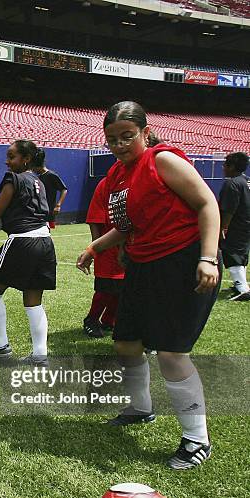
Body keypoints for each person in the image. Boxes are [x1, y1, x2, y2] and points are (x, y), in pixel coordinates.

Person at [76, 101, 220, 470]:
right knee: (126, 342)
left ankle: (196, 440)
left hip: (183, 262)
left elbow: (207, 203)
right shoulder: (117, 176)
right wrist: (96, 247)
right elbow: (127, 226)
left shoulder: (162, 160)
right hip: (143, 265)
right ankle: (141, 408)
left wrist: (207, 258)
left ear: (144, 131)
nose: (120, 144)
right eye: (112, 139)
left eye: (128, 136)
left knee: (172, 353)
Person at [0, 139, 56, 365]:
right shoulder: (36, 180)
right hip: (45, 242)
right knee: (33, 300)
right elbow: (12, 207)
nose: (7, 161)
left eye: (12, 157)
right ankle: (40, 356)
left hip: (22, 242)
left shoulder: (12, 179)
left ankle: (1, 345)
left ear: (25, 159)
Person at [83, 177, 125, 338]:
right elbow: (94, 217)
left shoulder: (139, 180)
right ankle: (91, 320)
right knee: (106, 286)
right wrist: (95, 247)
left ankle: (109, 320)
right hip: (108, 244)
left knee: (122, 287)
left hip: (130, 245)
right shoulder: (106, 184)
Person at [218, 152, 250, 301]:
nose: (223, 167)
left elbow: (229, 209)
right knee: (242, 254)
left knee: (232, 254)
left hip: (236, 226)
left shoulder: (232, 184)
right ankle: (239, 284)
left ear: (232, 167)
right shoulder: (246, 181)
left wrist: (223, 227)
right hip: (246, 224)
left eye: (225, 164)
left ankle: (242, 288)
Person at [31, 148, 68, 229]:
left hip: (48, 211)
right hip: (39, 210)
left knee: (45, 232)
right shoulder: (38, 177)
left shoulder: (51, 175)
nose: (32, 170)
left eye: (33, 167)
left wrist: (58, 205)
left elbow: (64, 189)